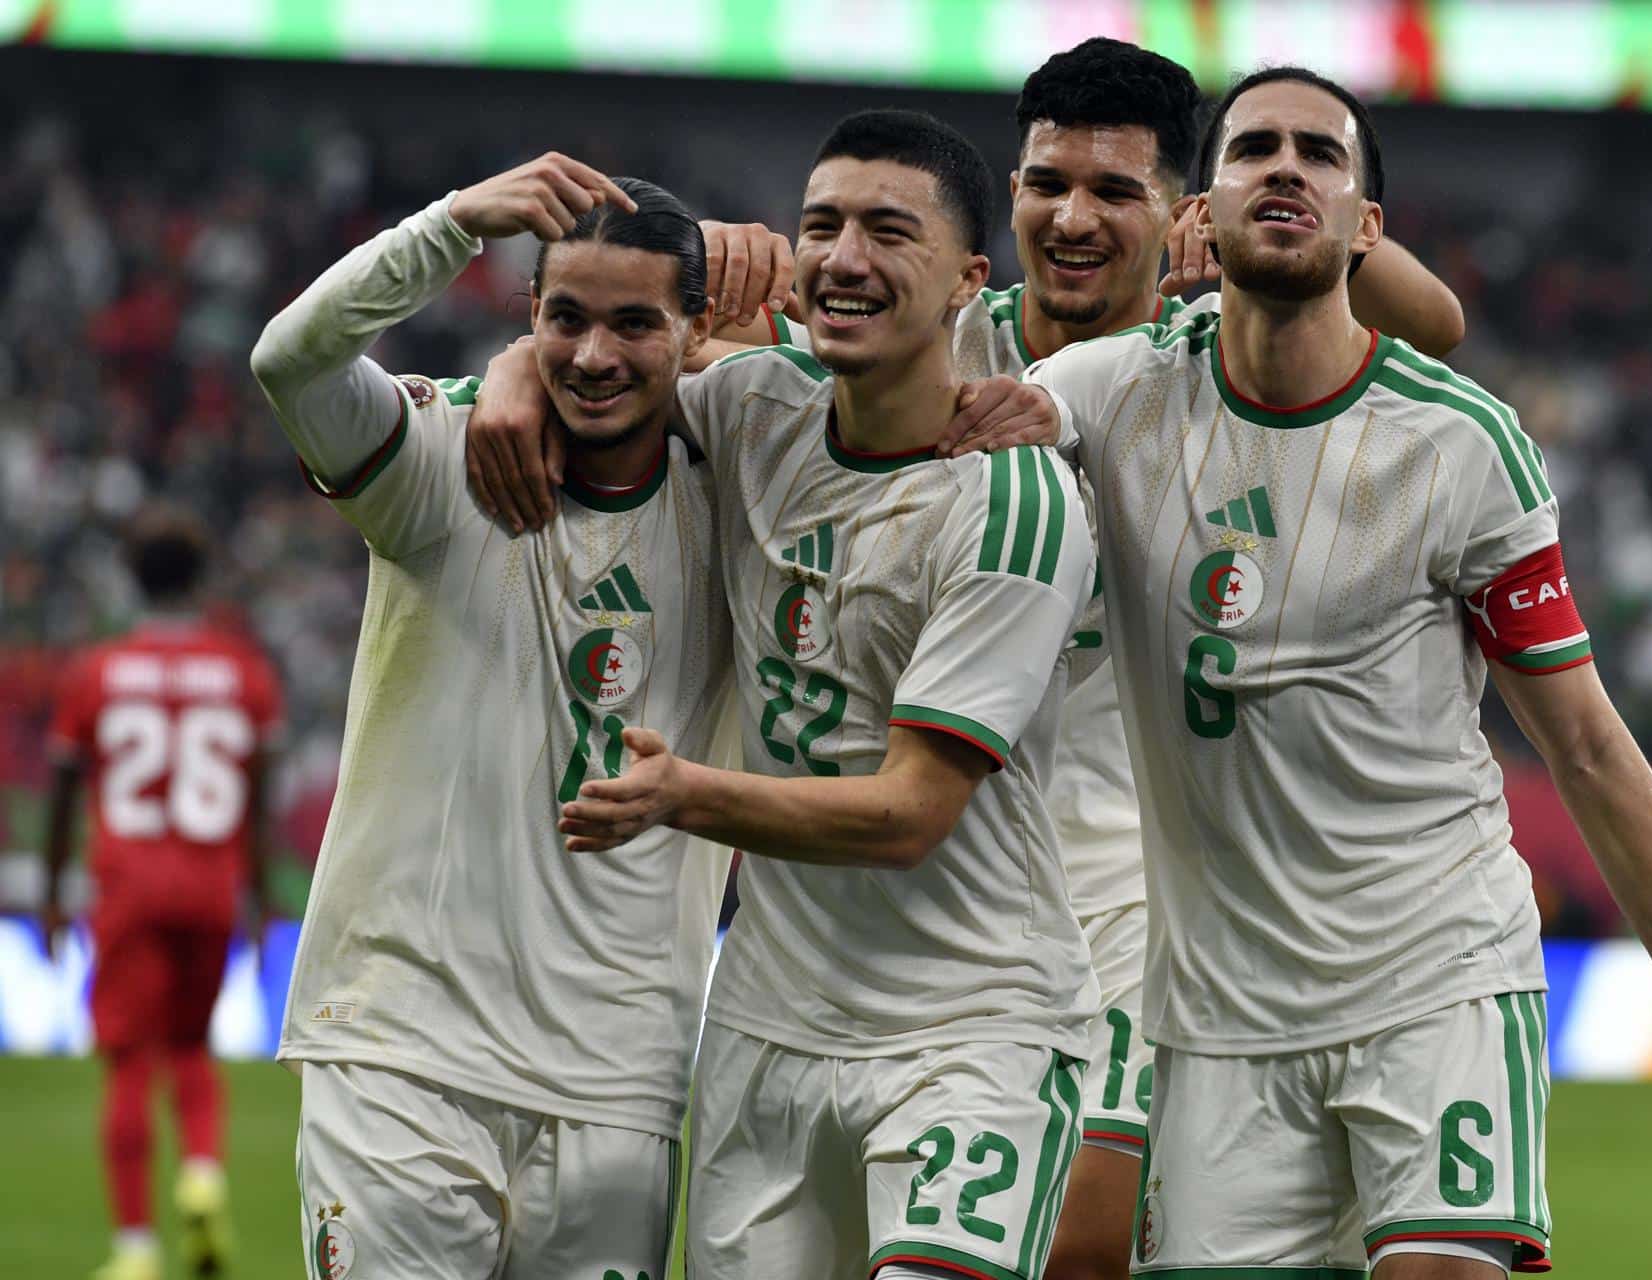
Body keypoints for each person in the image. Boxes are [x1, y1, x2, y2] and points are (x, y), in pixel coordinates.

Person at [465, 40, 1466, 1280]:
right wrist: (516, 366)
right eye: (1049, 183)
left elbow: (1438, 323)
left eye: (1117, 192)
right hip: (866, 920)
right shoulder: (926, 327)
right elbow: (640, 355)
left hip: (1125, 899)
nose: (1076, 217)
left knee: (1088, 1246)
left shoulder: (1209, 357)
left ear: (1183, 213)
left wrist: (1293, 211)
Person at [1008, 67, 1652, 1277]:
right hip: (1217, 1022)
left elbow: (1590, 746)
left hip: (1432, 983)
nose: (1285, 167)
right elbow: (929, 437)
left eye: (1320, 154)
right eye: (1253, 149)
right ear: (1201, 208)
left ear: (1367, 228)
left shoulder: (1460, 442)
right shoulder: (1102, 394)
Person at [551, 109, 1097, 1280]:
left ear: (968, 280)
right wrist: (508, 375)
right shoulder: (753, 408)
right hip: (766, 1026)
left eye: (887, 231)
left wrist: (683, 792)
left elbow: (908, 814)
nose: (844, 257)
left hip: (972, 1026)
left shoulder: (1016, 506)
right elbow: (597, 359)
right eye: (821, 226)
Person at [249, 155, 738, 1280]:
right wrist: (453, 223)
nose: (594, 354)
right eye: (562, 318)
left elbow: (873, 385)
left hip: (619, 1081)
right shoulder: (435, 461)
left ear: (695, 330)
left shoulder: (745, 486)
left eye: (635, 323)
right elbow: (291, 359)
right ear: (527, 311)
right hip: (402, 1056)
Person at [43, 504, 285, 1280]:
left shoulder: (99, 670)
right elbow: (261, 794)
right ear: (202, 579)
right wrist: (257, 896)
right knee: (191, 1048)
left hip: (127, 887)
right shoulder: (244, 670)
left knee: (127, 1063)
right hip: (212, 886)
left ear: (132, 578)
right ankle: (204, 1177)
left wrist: (52, 893)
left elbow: (61, 788)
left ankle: (138, 1248)